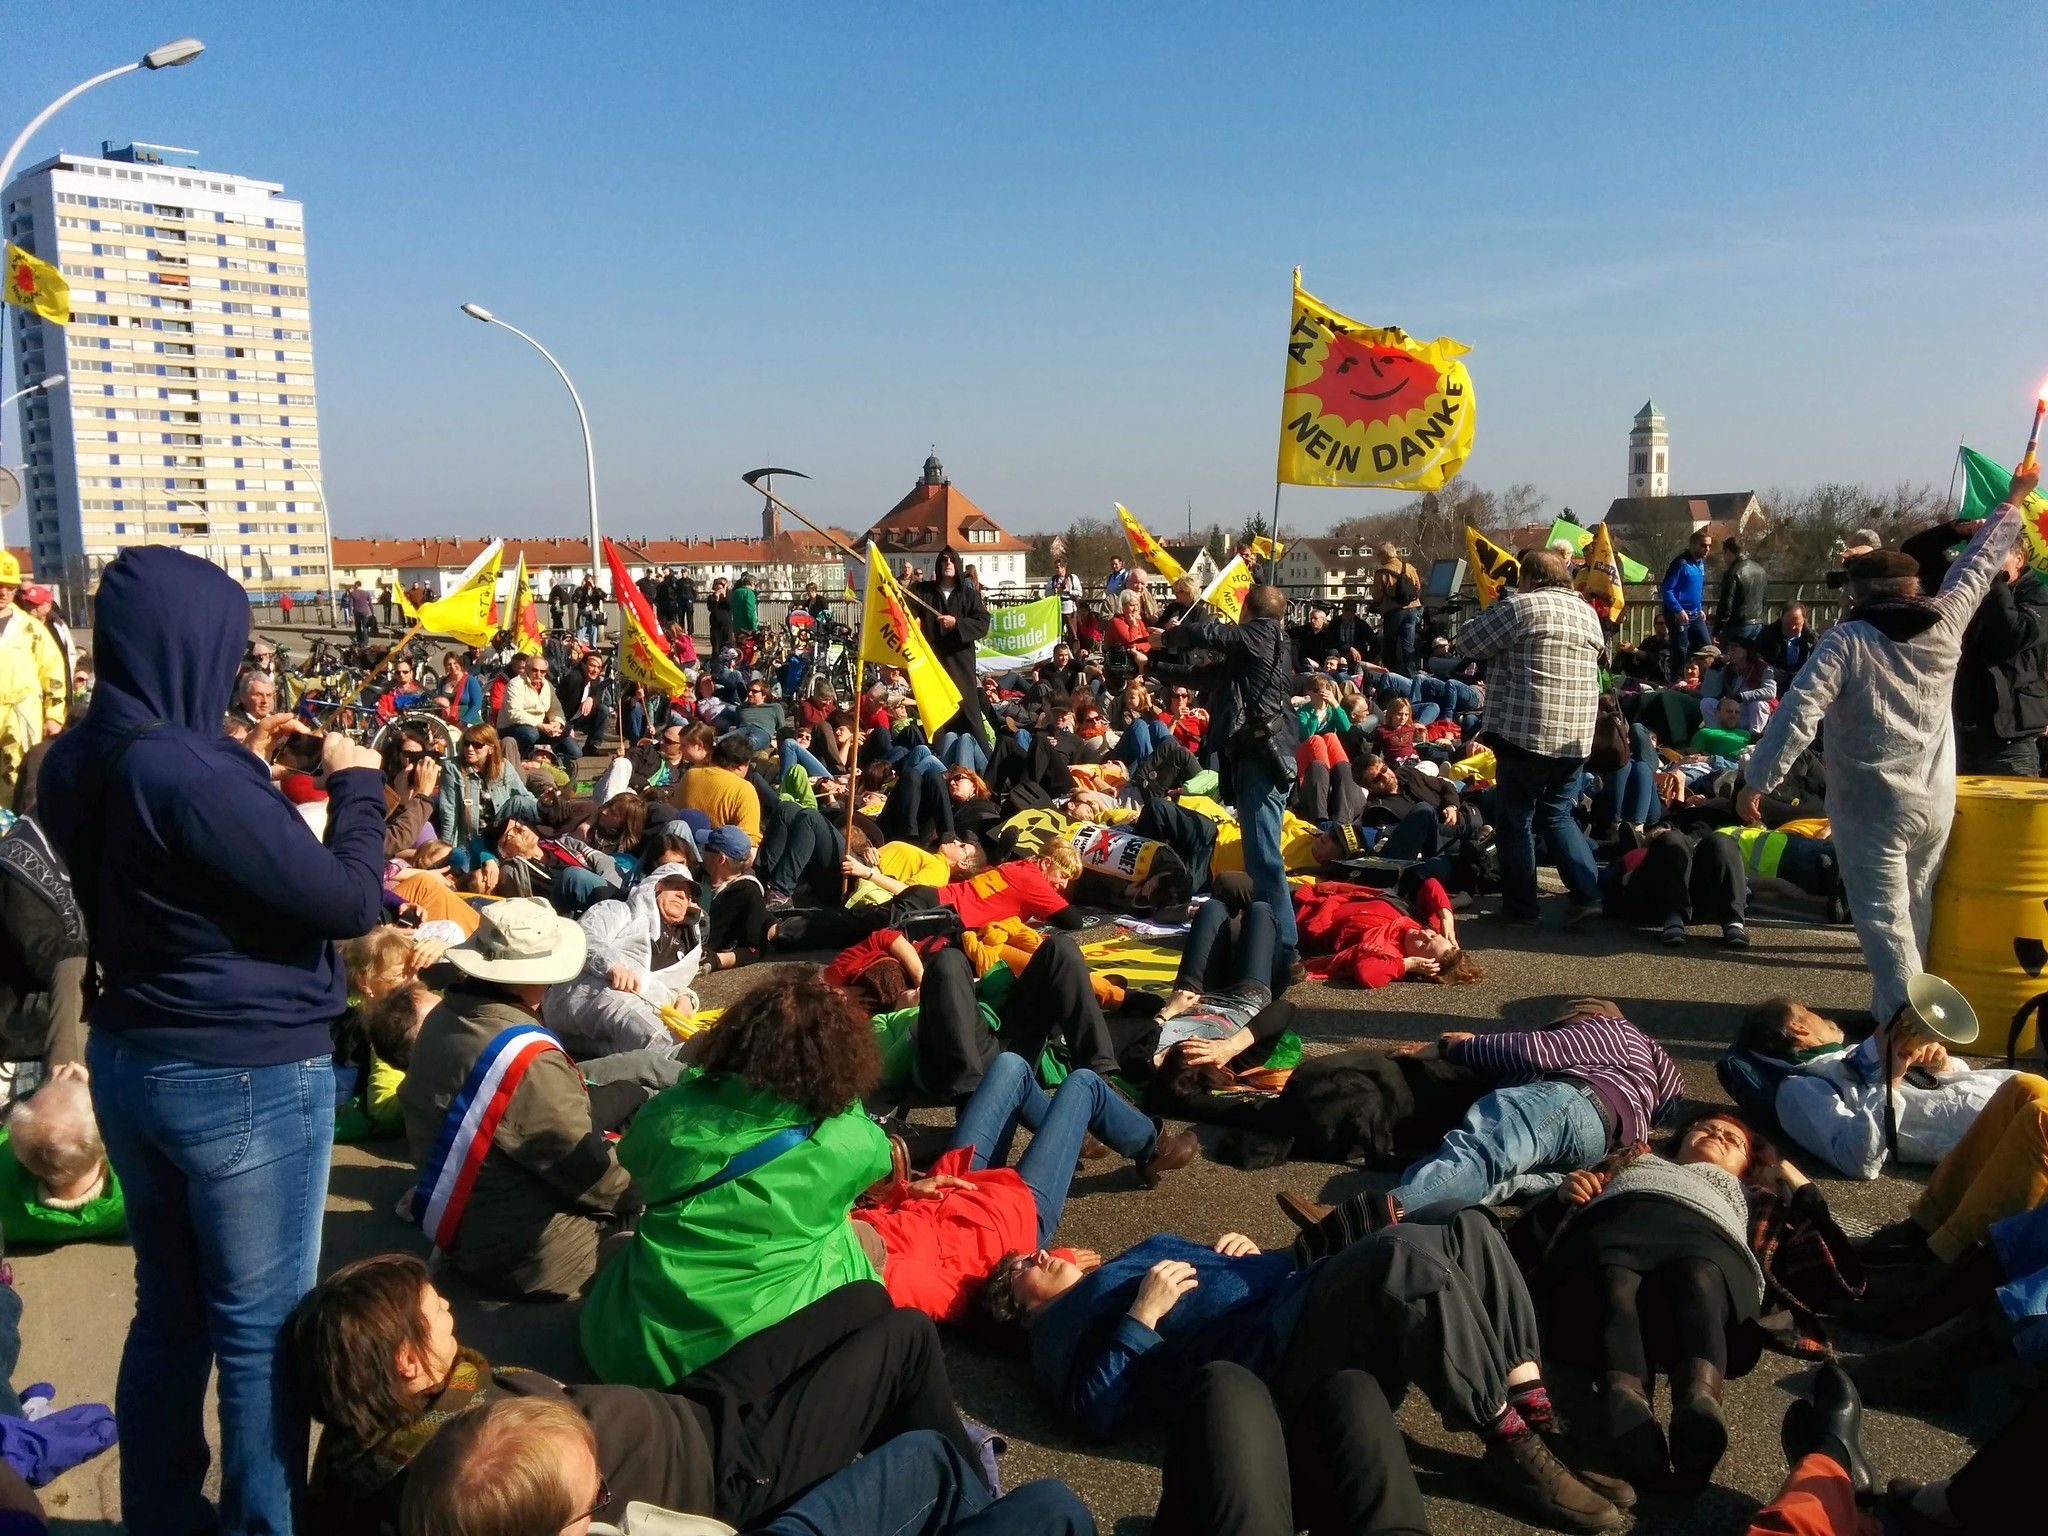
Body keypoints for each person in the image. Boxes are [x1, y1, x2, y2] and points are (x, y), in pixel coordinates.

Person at [37, 545, 386, 1534]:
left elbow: (181, 870)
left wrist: (245, 774)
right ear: (197, 643)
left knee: (171, 1308)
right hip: (241, 1072)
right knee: (262, 1334)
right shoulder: (185, 769)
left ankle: (159, 1512)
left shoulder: (74, 753)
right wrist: (353, 785)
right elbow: (350, 899)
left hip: (134, 1055)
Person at [984, 1208, 1627, 1530]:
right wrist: (1140, 1320)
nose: (1036, 1254)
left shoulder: (1116, 1264)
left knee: (1468, 1226)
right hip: (1273, 1361)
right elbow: (1093, 1413)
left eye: (1035, 1248)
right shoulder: (1055, 1334)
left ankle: (1534, 1408)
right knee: (1405, 1259)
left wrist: (1242, 1255)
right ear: (1018, 1312)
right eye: (1019, 1268)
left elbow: (1224, 1276)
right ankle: (1506, 1440)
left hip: (1289, 1294)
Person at [294, 1258, 985, 1536]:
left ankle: (923, 1459)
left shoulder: (424, 1408)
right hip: (726, 1475)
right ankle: (969, 1494)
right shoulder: (449, 1476)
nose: (448, 1306)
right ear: (408, 1362)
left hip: (684, 1408)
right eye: (432, 1309)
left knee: (863, 1298)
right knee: (905, 1338)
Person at [1737, 479, 2029, 1025]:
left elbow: (1799, 711)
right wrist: (2011, 502)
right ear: (1915, 586)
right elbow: (1978, 564)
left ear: (1856, 593)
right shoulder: (1947, 619)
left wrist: (1759, 779)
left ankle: (1909, 1035)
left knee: (1885, 927)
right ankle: (1893, 1022)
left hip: (1872, 808)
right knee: (1917, 915)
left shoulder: (1845, 641)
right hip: (1934, 801)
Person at [581, 970, 896, 1386]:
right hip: (749, 1361)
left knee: (620, 1249)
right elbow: (879, 1156)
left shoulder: (674, 1113)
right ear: (844, 1059)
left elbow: (634, 1153)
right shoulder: (848, 1138)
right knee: (863, 1243)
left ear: (735, 1039)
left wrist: (703, 1082)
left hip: (635, 1354)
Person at [1527, 1111, 1794, 1492]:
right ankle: (1626, 1405)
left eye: (1733, 1140)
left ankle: (1698, 1403)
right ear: (1682, 1138)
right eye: (1706, 1128)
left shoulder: (1755, 1198)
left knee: (1698, 1277)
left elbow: (1815, 1235)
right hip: (1615, 1230)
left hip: (1709, 1242)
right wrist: (1561, 1196)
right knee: (1613, 1280)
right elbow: (1533, 1231)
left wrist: (1786, 1173)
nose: (1718, 1135)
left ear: (1748, 1168)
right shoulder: (1632, 1159)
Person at [1281, 999, 1682, 1249]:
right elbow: (1671, 1099)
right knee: (1502, 1181)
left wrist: (1452, 1048)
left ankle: (1371, 1219)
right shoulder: (1648, 1076)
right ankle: (1407, 1236)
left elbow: (1536, 1051)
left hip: (1572, 1101)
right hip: (1597, 1145)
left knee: (1482, 1145)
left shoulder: (1609, 1029)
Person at [398, 899, 639, 1299]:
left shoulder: (445, 1017)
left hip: (455, 1222)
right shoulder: (528, 1059)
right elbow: (586, 1171)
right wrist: (656, 1185)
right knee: (665, 1218)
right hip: (524, 1255)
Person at [1453, 546, 1606, 926]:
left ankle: (1521, 908)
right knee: (1557, 814)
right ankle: (1588, 894)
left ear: (1529, 578)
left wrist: (1503, 602)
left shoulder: (1523, 606)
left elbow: (1466, 642)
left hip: (1527, 731)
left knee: (1515, 819)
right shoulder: (1587, 612)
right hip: (1577, 736)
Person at [1155, 583, 1302, 973]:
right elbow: (1207, 677)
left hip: (1263, 757)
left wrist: (1168, 635)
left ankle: (1285, 950)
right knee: (1260, 853)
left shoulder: (1263, 632)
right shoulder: (1261, 648)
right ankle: (1277, 944)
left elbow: (1211, 633)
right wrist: (1154, 665)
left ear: (1246, 611)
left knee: (1264, 857)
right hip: (1261, 755)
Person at [1732, 997, 2018, 1181]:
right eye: (1808, 1011)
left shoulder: (1856, 1054)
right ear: (1798, 1028)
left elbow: (1950, 1090)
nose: (1821, 1014)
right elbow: (1856, 1159)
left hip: (2011, 1093)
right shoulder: (1798, 1091)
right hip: (2005, 1129)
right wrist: (1889, 1082)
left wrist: (1941, 1065)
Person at [541, 863, 703, 1058]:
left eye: (688, 895)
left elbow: (671, 984)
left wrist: (687, 998)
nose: (682, 895)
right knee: (629, 1014)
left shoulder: (689, 945)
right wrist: (611, 965)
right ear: (656, 885)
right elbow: (584, 937)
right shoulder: (618, 910)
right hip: (592, 993)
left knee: (632, 1047)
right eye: (677, 887)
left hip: (642, 1016)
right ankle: (689, 1062)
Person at [1602, 826, 1750, 948]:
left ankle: (1734, 921)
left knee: (1721, 840)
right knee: (1671, 840)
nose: (1665, 829)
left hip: (1698, 901)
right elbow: (1611, 885)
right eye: (1656, 832)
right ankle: (1673, 918)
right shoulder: (1639, 854)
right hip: (1656, 900)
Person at [0, 553, 66, 808]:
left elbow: (53, 671)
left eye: (9, 586)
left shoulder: (31, 628)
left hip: (20, 715)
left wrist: (54, 714)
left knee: (19, 776)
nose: (3, 592)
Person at [912, 549, 991, 748]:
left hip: (960, 662)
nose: (947, 563)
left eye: (951, 560)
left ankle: (985, 761)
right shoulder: (924, 591)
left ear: (957, 565)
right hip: (935, 663)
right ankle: (941, 757)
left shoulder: (969, 595)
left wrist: (957, 623)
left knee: (970, 714)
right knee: (940, 717)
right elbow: (905, 610)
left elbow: (983, 623)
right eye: (943, 560)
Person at [496, 653, 579, 767]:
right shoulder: (515, 684)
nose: (539, 674)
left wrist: (557, 723)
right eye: (535, 670)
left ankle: (544, 755)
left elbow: (555, 709)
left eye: (543, 671)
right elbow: (515, 714)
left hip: (540, 728)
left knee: (571, 741)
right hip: (512, 727)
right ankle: (521, 759)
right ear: (527, 669)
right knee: (531, 734)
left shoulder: (547, 685)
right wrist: (541, 726)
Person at [1659, 531, 1712, 676]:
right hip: (1679, 614)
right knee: (1680, 649)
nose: (1706, 549)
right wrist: (1677, 609)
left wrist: (1699, 608)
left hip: (1695, 613)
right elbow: (1667, 589)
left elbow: (1697, 589)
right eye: (1703, 545)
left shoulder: (1700, 564)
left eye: (1709, 546)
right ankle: (1677, 679)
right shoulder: (1680, 563)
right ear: (1692, 545)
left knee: (1707, 647)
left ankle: (1702, 679)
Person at [1370, 543, 1423, 673]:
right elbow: (1417, 587)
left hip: (1393, 611)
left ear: (1385, 555)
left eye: (1379, 555)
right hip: (1411, 609)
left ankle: (1391, 673)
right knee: (1408, 645)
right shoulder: (1409, 567)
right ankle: (1412, 675)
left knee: (1390, 645)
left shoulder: (1381, 573)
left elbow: (1378, 596)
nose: (1378, 558)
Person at [1715, 536, 1768, 648]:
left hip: (1738, 625)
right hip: (1758, 623)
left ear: (1728, 551)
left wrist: (1717, 630)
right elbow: (1764, 599)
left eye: (1723, 553)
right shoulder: (1760, 569)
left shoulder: (1733, 572)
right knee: (1751, 660)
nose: (1724, 559)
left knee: (1731, 659)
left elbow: (1726, 605)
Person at [1044, 556, 1083, 640]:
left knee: (1073, 634)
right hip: (1057, 609)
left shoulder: (1072, 578)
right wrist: (1055, 590)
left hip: (1070, 609)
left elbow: (1080, 593)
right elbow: (1046, 594)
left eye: (1057, 567)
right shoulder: (1053, 579)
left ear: (1063, 567)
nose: (1056, 570)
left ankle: (1074, 651)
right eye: (1055, 568)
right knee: (1056, 634)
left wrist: (1069, 591)